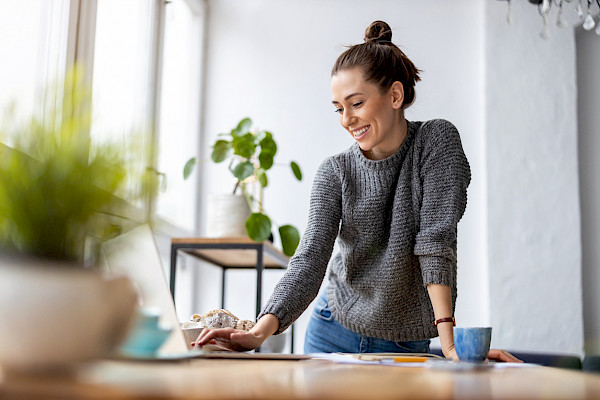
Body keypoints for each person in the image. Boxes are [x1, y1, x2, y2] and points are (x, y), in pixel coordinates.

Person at [196, 20, 521, 362]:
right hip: (331, 329)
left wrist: (451, 344)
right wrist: (258, 333)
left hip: (404, 341)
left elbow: (436, 242)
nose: (346, 119)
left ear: (395, 95)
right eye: (339, 108)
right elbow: (310, 258)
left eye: (356, 103)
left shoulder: (436, 143)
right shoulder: (334, 172)